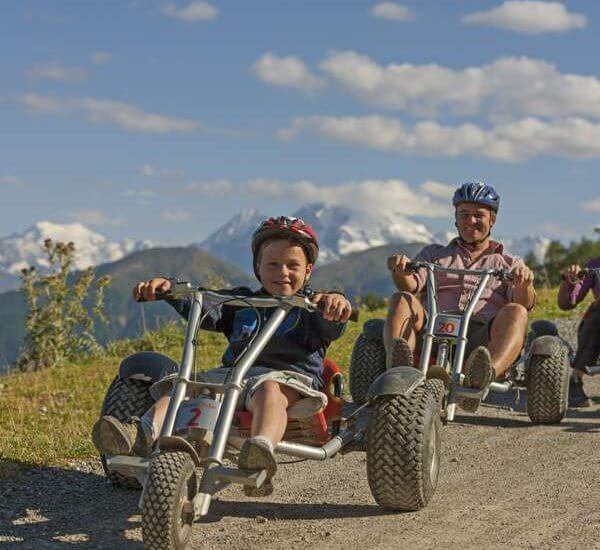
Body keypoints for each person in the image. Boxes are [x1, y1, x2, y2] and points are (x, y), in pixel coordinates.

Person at [92, 216, 352, 496]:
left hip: (287, 380)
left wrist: (336, 302)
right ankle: (140, 434)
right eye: (273, 264)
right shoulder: (240, 302)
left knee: (269, 390)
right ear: (258, 268)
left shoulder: (313, 306)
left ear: (308, 270)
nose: (283, 272)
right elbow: (207, 305)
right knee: (186, 387)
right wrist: (170, 290)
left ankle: (259, 450)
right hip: (231, 378)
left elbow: (333, 321)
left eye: (293, 265)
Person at [385, 182, 536, 411]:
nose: (471, 221)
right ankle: (400, 371)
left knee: (516, 311)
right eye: (464, 214)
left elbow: (524, 302)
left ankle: (480, 379)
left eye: (479, 215)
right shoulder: (434, 254)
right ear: (456, 218)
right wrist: (400, 270)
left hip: (481, 341)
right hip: (433, 331)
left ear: (492, 220)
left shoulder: (507, 263)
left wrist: (524, 282)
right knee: (402, 298)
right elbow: (411, 285)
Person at [557, 258, 600, 407]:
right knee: (597, 311)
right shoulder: (594, 267)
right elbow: (568, 303)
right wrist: (573, 281)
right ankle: (575, 379)